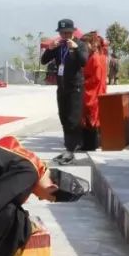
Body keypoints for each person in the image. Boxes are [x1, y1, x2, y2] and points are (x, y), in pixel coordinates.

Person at [41, 19, 90, 164]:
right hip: (62, 87)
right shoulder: (58, 46)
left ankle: (71, 150)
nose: (65, 35)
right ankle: (68, 148)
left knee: (73, 119)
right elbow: (44, 61)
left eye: (68, 32)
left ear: (73, 32)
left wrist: (75, 48)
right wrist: (50, 48)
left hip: (75, 87)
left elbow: (84, 62)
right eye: (63, 33)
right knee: (63, 118)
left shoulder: (80, 44)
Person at [81, 32, 109, 152]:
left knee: (90, 117)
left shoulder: (95, 58)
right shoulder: (99, 56)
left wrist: (82, 83)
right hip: (95, 90)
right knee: (92, 118)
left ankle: (90, 145)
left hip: (92, 91)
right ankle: (91, 143)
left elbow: (95, 78)